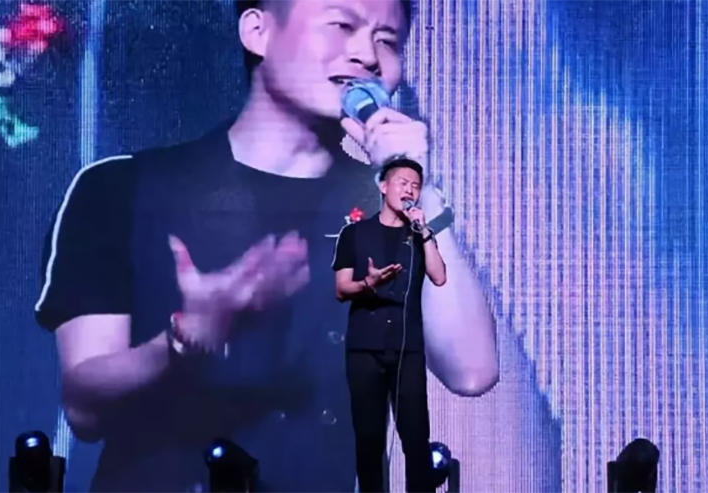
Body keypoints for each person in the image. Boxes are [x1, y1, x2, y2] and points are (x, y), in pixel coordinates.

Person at [34, 0, 498, 491]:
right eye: (342, 25)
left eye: (388, 40)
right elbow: (84, 410)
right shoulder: (121, 188)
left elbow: (472, 370)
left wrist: (414, 185)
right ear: (258, 32)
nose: (367, 54)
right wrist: (186, 339)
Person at [332, 159, 445, 493]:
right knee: (369, 438)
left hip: (407, 348)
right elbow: (341, 289)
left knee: (415, 436)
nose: (409, 190)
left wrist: (424, 230)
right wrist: (368, 284)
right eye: (402, 183)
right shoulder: (354, 234)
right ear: (383, 187)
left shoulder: (420, 236)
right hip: (364, 348)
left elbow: (439, 276)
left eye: (415, 186)